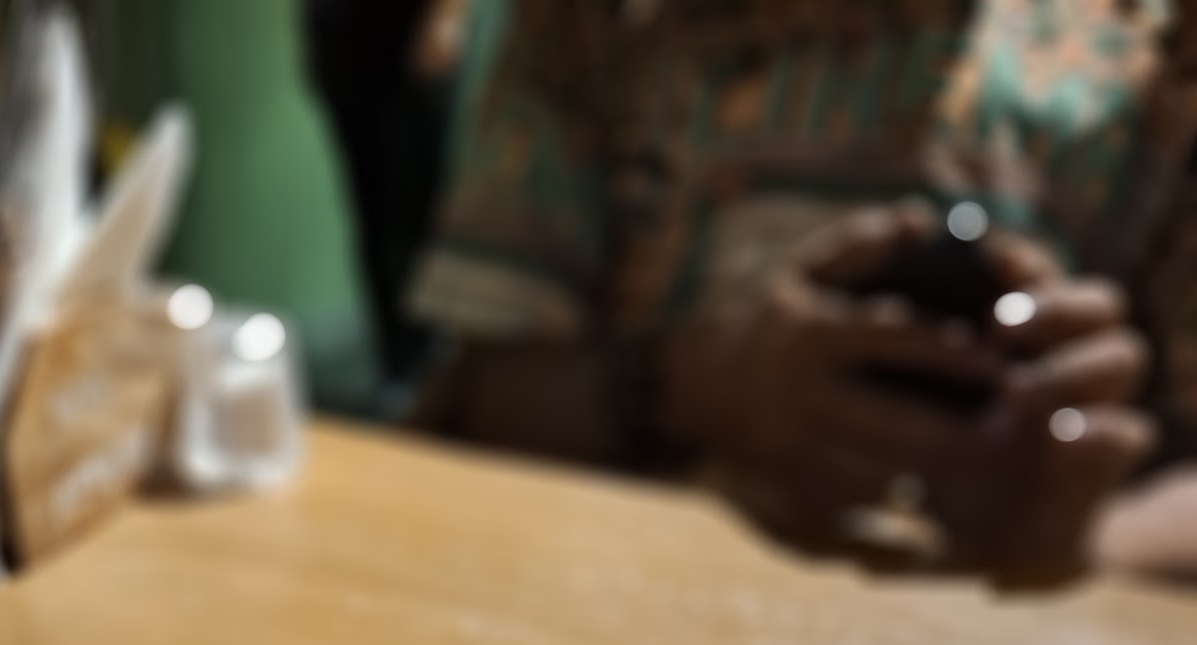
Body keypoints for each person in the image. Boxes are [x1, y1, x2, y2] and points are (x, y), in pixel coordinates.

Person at [410, 0, 1197, 585]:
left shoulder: (1170, 47)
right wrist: (702, 387)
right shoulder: (597, 17)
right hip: (627, 603)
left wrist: (1083, 538)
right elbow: (493, 397)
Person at [303, 0, 473, 394]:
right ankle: (397, 362)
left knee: (422, 207)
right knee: (370, 213)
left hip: (408, 27)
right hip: (340, 30)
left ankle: (434, 361)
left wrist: (447, 16)